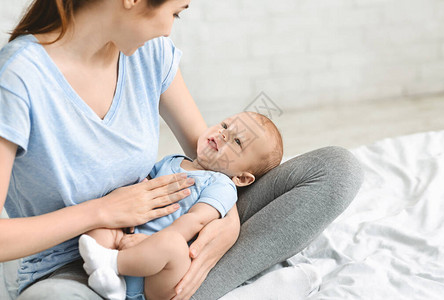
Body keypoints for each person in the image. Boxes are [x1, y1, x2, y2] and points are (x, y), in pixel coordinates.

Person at [0, 0, 364, 299]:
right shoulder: (19, 77)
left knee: (336, 169)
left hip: (174, 240)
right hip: (76, 266)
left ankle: (180, 286)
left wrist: (226, 221)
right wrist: (102, 212)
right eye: (175, 12)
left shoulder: (149, 54)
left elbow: (208, 159)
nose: (169, 30)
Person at [78, 111, 283, 300]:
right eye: (225, 125)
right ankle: (113, 284)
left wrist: (150, 243)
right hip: (127, 238)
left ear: (242, 178)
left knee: (173, 244)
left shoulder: (222, 184)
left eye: (237, 141)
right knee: (103, 223)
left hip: (158, 276)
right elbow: (142, 185)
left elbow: (196, 219)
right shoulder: (172, 160)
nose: (223, 134)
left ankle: (112, 263)